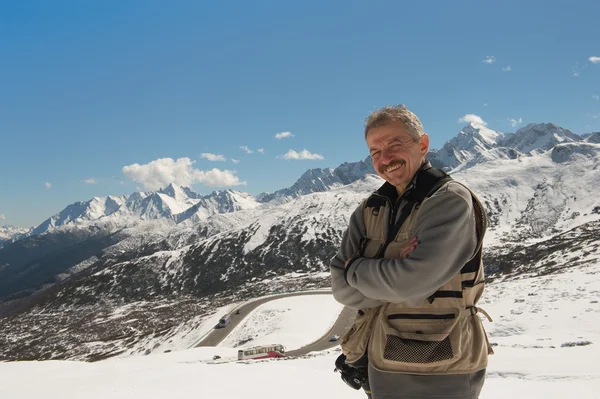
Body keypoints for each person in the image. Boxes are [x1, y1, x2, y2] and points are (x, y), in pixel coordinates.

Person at [330, 105, 493, 399]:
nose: (385, 158)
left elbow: (412, 283)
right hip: (378, 363)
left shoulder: (449, 200)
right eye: (375, 152)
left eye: (395, 144)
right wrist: (393, 268)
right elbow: (341, 289)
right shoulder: (370, 208)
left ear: (423, 144)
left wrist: (357, 269)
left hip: (440, 366)